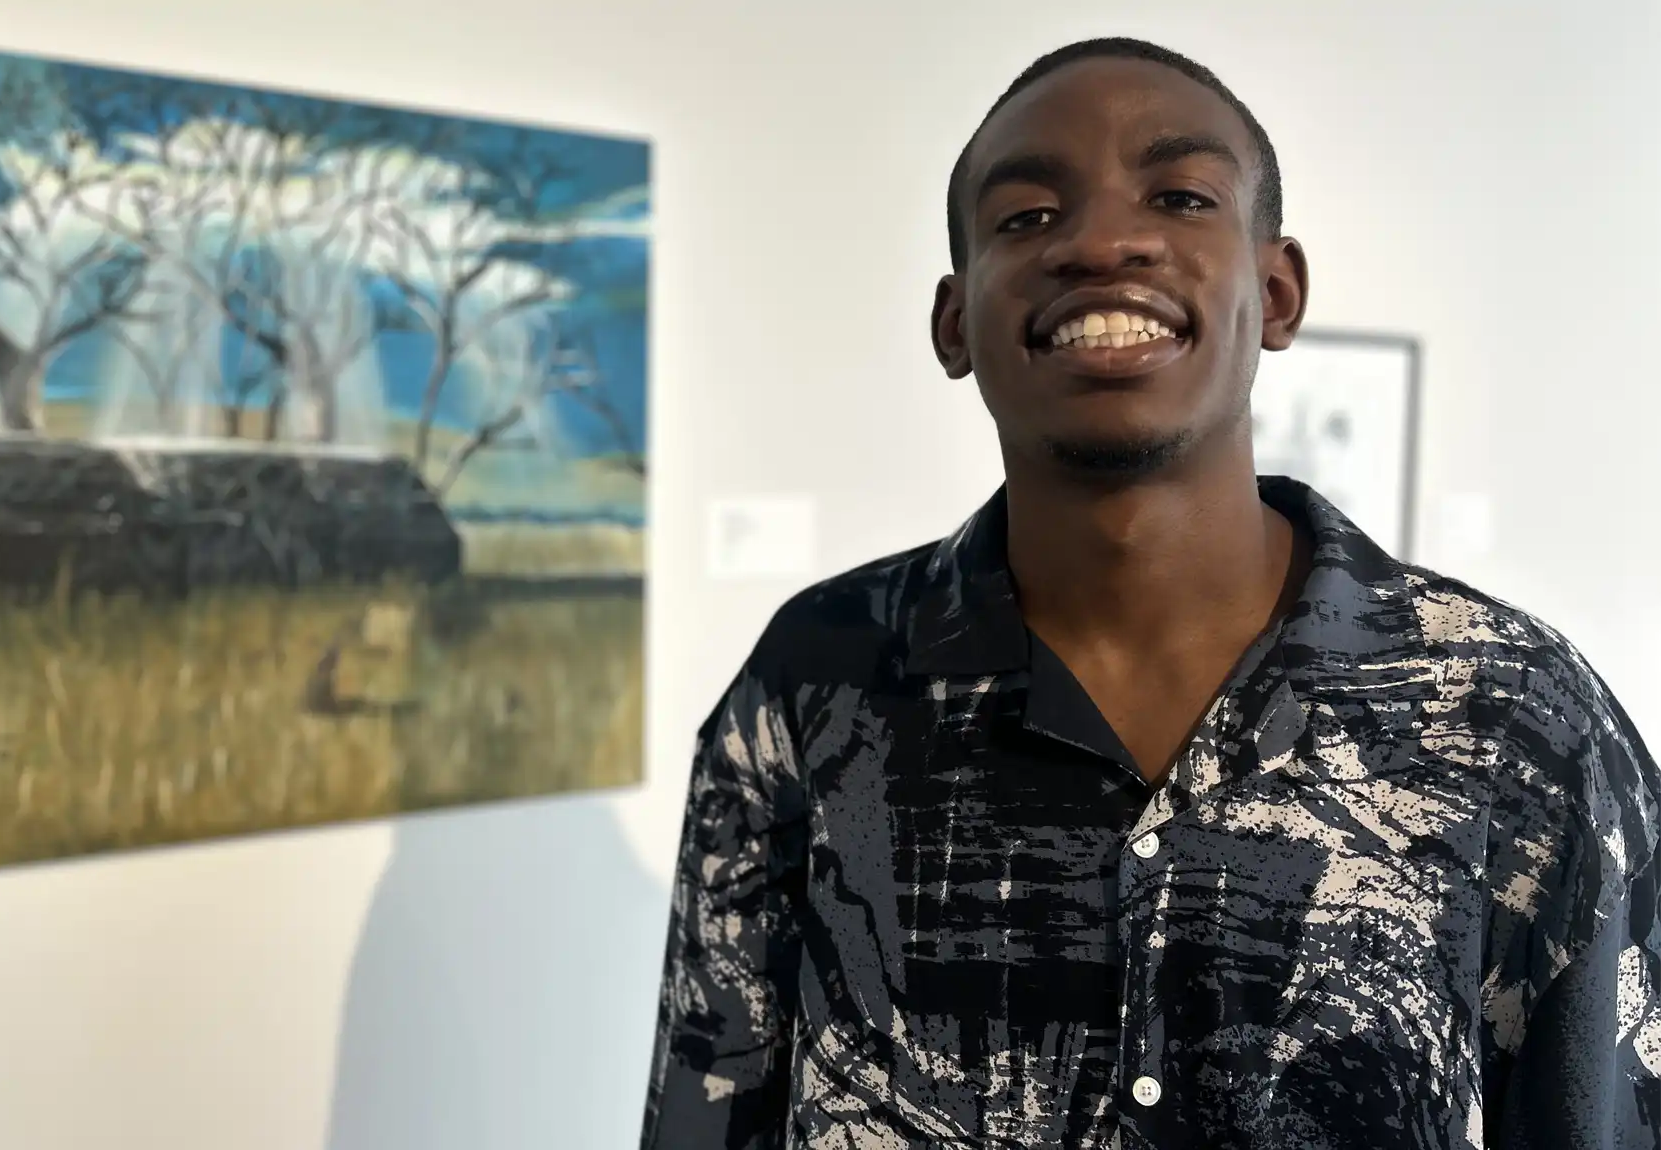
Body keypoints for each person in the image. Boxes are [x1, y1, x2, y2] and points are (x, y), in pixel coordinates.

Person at [641, 36, 1661, 1149]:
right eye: (1025, 217)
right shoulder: (814, 685)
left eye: (1177, 196)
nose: (1102, 241)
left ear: (1275, 291)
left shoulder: (1514, 714)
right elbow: (706, 1107)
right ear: (951, 322)